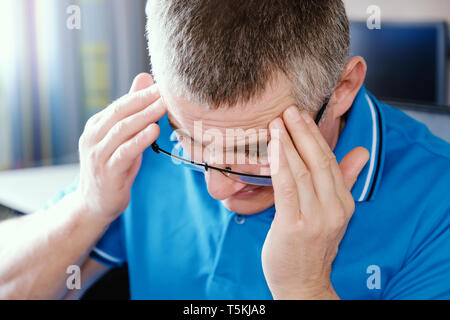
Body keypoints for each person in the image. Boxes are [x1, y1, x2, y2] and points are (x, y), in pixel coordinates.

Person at [1, 0, 450, 300]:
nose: (216, 188)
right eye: (189, 140)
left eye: (256, 148)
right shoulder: (146, 141)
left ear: (343, 88)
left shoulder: (438, 204)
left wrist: (304, 286)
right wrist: (87, 207)